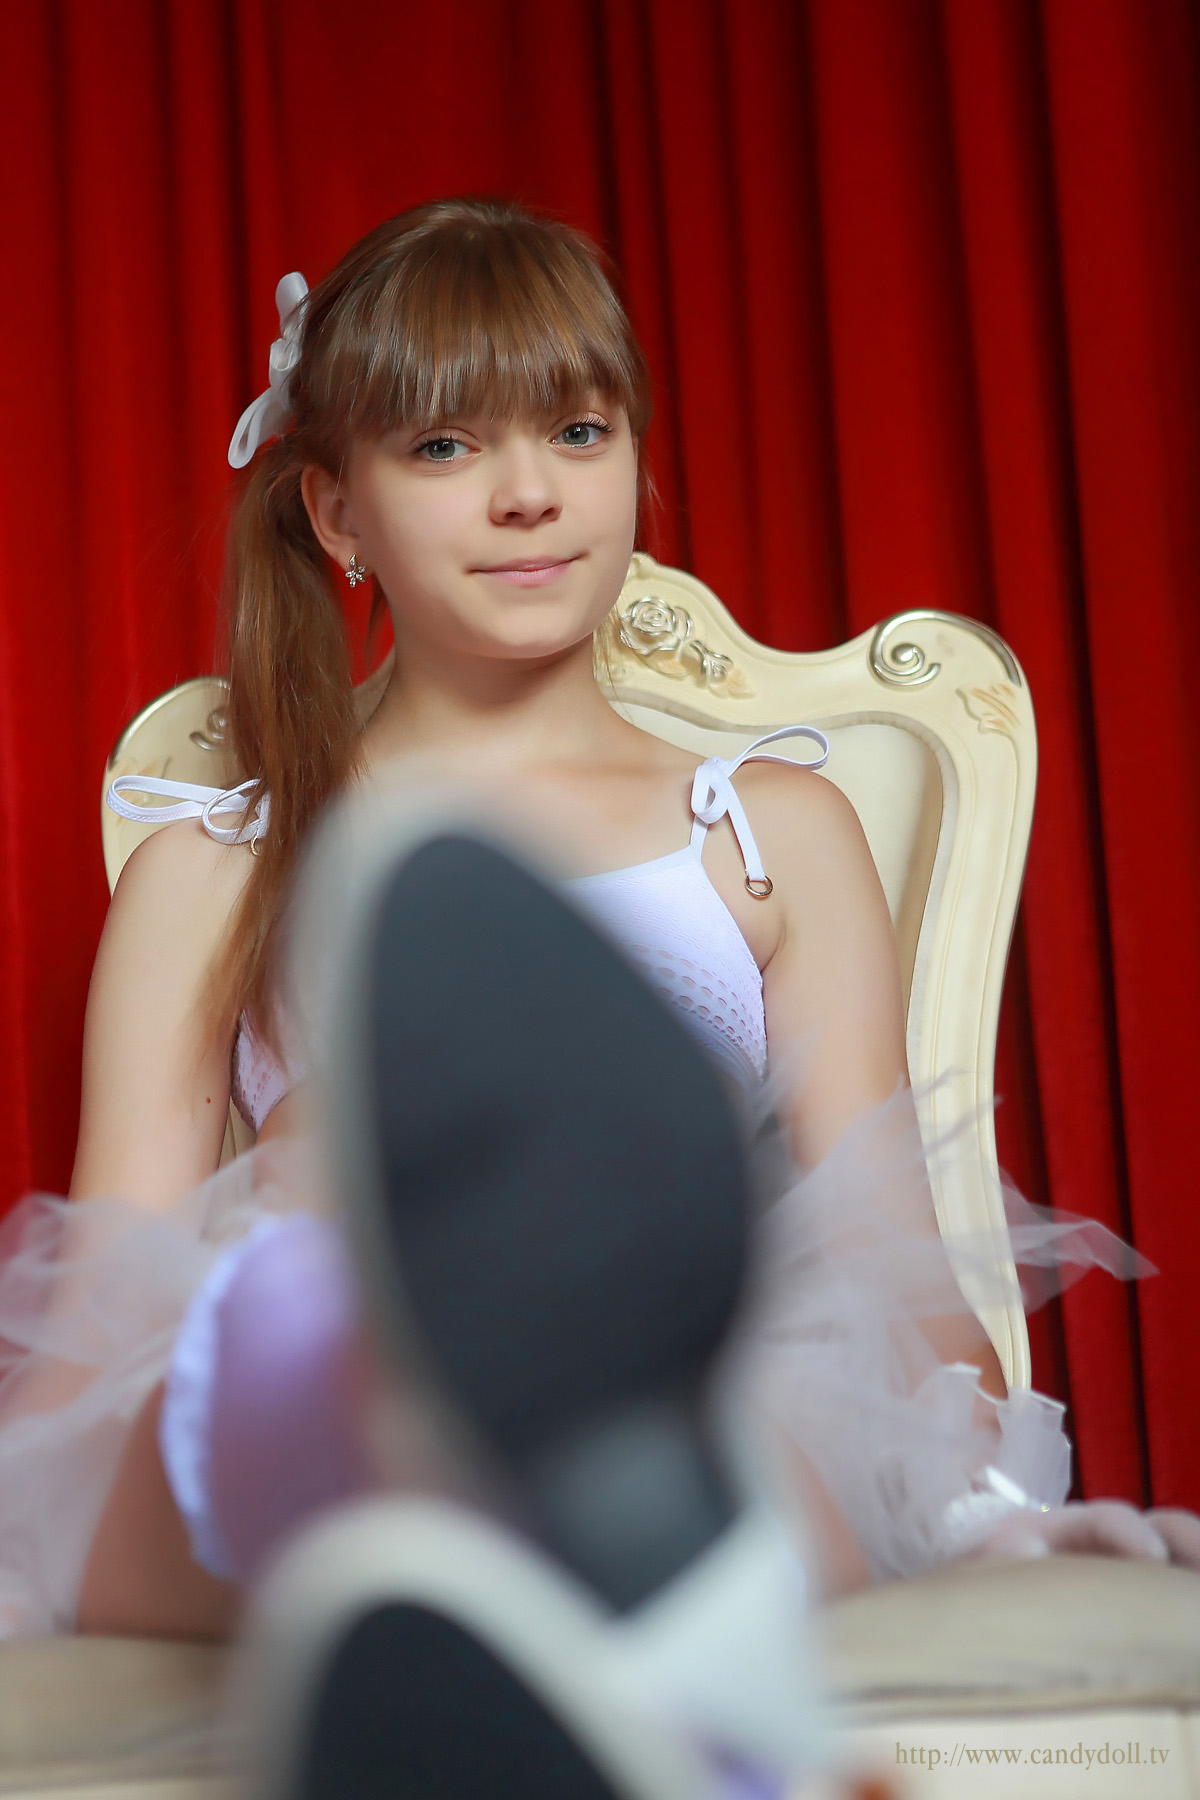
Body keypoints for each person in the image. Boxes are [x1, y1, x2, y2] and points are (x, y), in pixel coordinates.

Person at [1, 198, 1195, 1659]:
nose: (530, 494)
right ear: (336, 512)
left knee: (657, 1305)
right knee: (324, 1173)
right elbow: (104, 1307)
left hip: (691, 1403)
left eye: (578, 431)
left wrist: (982, 1505)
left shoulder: (764, 833)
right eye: (446, 446)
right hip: (320, 1415)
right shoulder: (215, 870)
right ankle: (463, 1543)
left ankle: (536, 1559)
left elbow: (891, 1254)